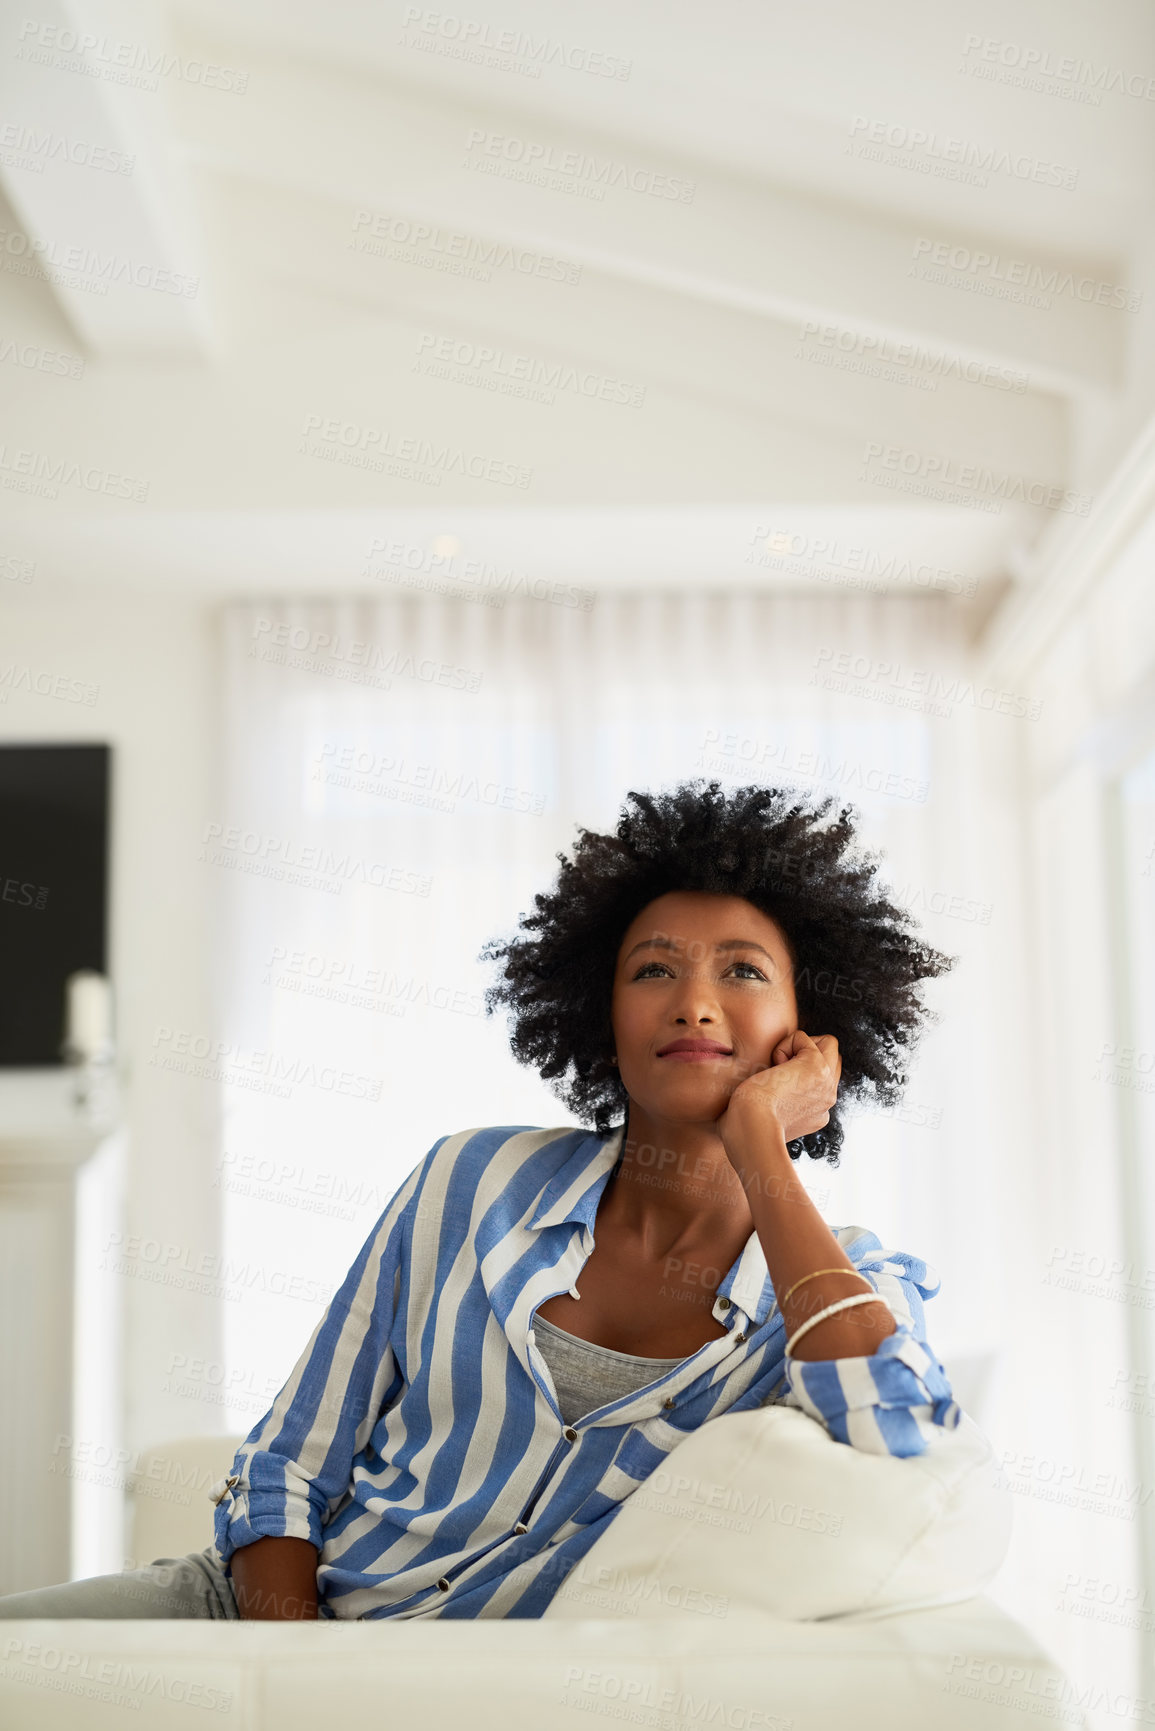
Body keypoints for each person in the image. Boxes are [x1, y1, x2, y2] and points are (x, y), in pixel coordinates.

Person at [0, 779, 959, 1622]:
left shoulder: (831, 1283)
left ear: (809, 1032)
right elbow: (288, 1467)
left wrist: (760, 1144)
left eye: (743, 971)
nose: (693, 1003)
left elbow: (900, 1429)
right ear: (601, 1012)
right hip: (254, 1623)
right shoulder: (470, 1183)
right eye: (652, 969)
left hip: (471, 1692)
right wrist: (290, 1687)